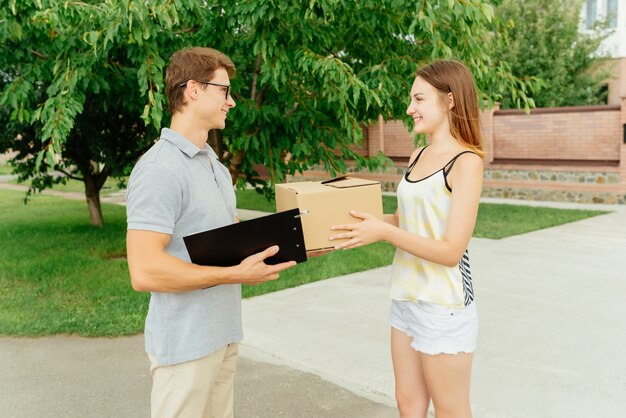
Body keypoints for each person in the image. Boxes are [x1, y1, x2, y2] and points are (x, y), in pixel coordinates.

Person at [125, 47, 296, 418]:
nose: (231, 102)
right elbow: (144, 270)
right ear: (193, 90)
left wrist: (304, 242)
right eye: (224, 91)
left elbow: (229, 243)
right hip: (184, 347)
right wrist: (237, 274)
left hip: (223, 336)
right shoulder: (159, 169)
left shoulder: (214, 167)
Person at [330, 60, 484, 418]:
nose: (409, 108)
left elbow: (450, 251)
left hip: (444, 305)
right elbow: (405, 221)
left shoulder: (466, 162)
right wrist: (355, 222)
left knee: (451, 410)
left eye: (419, 99)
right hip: (406, 297)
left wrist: (384, 232)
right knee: (409, 404)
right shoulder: (419, 155)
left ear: (450, 101)